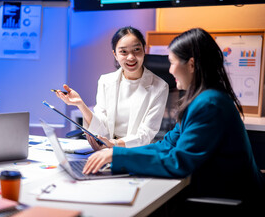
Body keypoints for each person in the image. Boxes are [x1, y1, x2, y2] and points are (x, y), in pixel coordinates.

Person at [83, 28, 265, 213]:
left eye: (172, 63)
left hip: (229, 199)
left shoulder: (209, 104)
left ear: (191, 65)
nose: (169, 70)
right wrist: (116, 152)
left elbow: (179, 162)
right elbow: (167, 145)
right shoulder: (202, 99)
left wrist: (118, 156)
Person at [55, 26, 169, 149]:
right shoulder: (105, 81)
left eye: (137, 49)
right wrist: (80, 104)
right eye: (123, 52)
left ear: (144, 50)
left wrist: (113, 144)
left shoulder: (160, 87)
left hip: (136, 152)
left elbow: (146, 134)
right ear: (115, 54)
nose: (131, 57)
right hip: (107, 150)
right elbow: (102, 127)